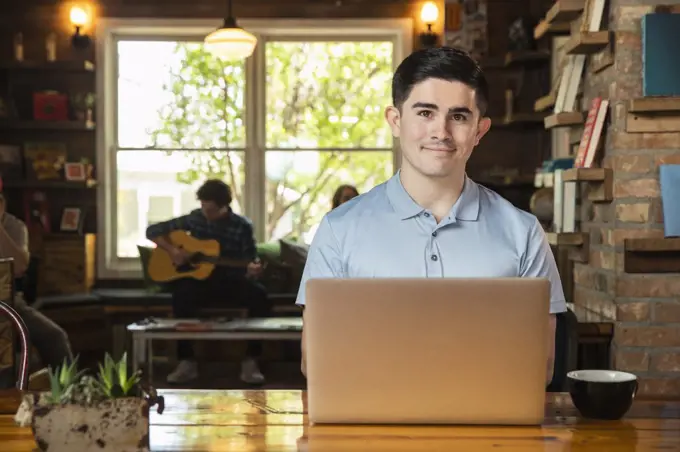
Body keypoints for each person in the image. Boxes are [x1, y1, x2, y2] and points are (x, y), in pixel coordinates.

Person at [295, 47, 567, 386]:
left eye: (458, 116)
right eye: (425, 112)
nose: (441, 132)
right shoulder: (338, 230)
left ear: (480, 130)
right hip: (371, 431)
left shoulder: (524, 232)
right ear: (396, 121)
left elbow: (540, 366)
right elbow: (315, 362)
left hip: (491, 434)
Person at [146, 179, 269, 385]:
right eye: (203, 206)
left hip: (230, 281)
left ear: (224, 206)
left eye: (210, 210)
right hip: (198, 280)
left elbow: (250, 259)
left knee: (259, 296)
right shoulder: (195, 219)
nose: (206, 213)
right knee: (181, 297)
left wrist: (253, 271)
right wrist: (174, 250)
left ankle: (250, 361)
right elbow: (152, 231)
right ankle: (187, 362)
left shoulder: (242, 226)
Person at [0, 192, 74, 373]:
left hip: (10, 302)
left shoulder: (14, 226)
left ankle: (67, 393)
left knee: (55, 337)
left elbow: (19, 266)